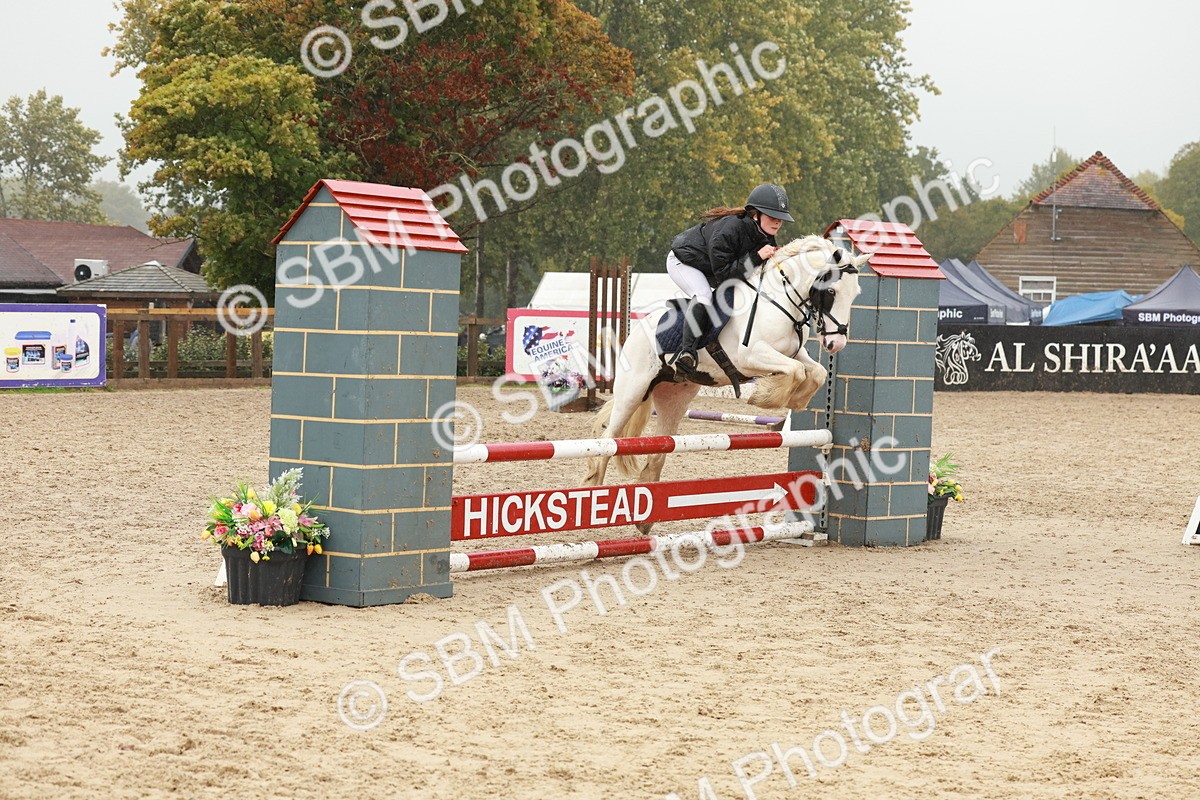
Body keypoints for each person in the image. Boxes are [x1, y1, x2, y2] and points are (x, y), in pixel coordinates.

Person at [666, 183, 794, 374]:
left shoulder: (765, 234)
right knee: (703, 295)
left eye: (780, 218)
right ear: (755, 215)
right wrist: (757, 257)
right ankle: (687, 352)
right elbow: (725, 276)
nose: (778, 222)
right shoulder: (729, 229)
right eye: (772, 217)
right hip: (683, 261)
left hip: (712, 265)